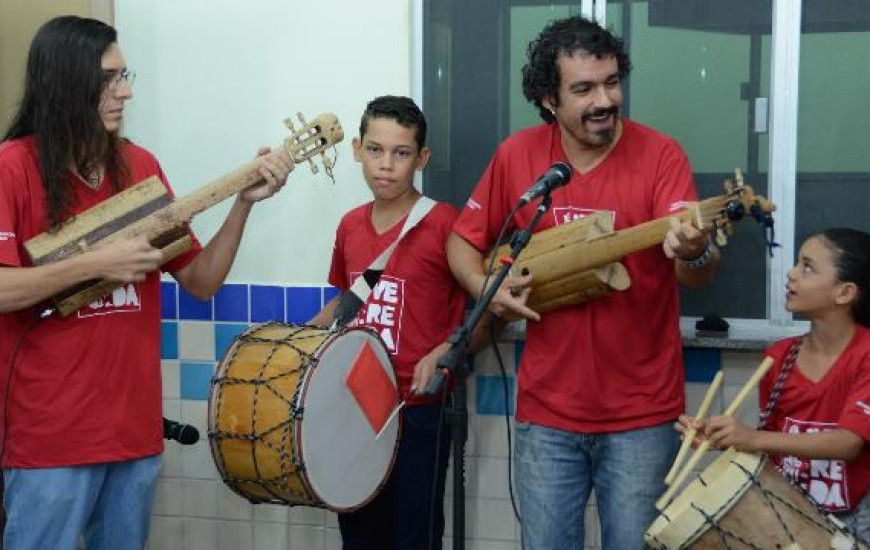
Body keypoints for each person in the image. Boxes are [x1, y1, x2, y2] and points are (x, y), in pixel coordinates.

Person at [0, 16, 292, 550]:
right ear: (67, 81)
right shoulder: (12, 168)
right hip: (50, 439)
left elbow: (201, 282)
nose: (126, 91)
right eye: (111, 79)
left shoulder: (139, 166)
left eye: (125, 75)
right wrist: (96, 264)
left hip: (133, 433)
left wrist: (242, 206)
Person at [447, 15, 720, 549]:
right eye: (584, 89)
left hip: (642, 415)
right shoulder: (519, 155)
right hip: (547, 414)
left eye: (612, 82)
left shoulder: (661, 155)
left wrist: (693, 249)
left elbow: (699, 275)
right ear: (549, 99)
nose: (605, 100)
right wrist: (486, 287)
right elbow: (461, 241)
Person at [308, 95, 465, 549]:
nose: (386, 165)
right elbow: (346, 300)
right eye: (375, 150)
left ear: (422, 158)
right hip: (354, 408)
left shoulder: (443, 224)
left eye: (401, 153)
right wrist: (297, 337)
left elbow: (484, 308)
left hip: (417, 411)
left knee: (414, 536)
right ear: (357, 149)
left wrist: (442, 352)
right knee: (358, 534)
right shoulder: (350, 226)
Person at [678, 228, 870, 541]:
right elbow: (771, 442)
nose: (791, 274)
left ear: (844, 293)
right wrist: (723, 438)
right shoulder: (779, 356)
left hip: (856, 519)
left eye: (807, 267)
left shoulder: (866, 354)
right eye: (796, 263)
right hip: (790, 515)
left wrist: (753, 438)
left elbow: (847, 444)